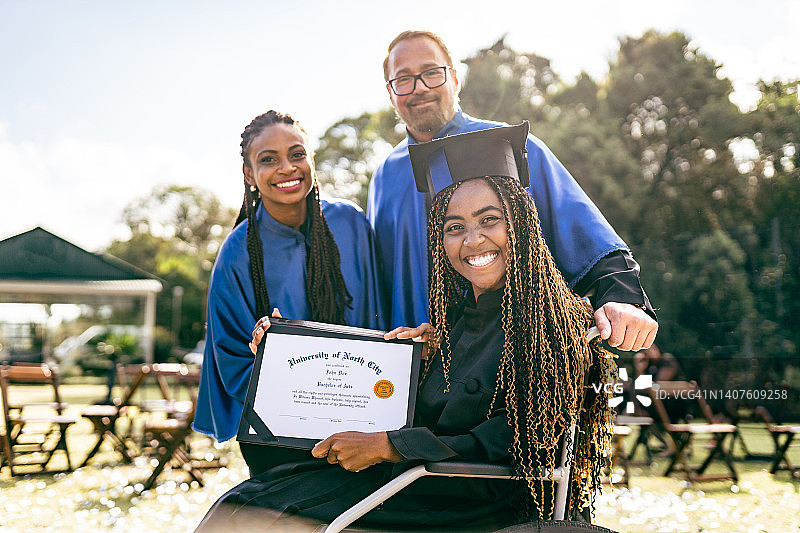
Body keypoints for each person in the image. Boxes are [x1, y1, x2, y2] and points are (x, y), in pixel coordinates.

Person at [194, 125, 617, 532]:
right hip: (424, 479)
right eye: (454, 227)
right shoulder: (455, 322)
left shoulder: (554, 318)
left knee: (265, 519)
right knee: (246, 501)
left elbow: (517, 441)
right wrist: (414, 363)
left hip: (472, 498)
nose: (472, 240)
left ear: (521, 223)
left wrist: (390, 446)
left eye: (489, 220)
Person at [368, 30, 657, 353]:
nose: (419, 87)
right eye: (403, 79)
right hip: (415, 369)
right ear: (391, 94)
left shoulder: (509, 147)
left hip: (510, 358)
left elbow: (581, 231)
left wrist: (621, 297)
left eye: (432, 73)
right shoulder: (384, 178)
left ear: (455, 79)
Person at [193, 110, 385, 477]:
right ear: (249, 174)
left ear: (311, 160)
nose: (287, 167)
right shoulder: (238, 252)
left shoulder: (351, 224)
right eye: (269, 159)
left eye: (297, 154)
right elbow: (231, 359)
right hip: (281, 434)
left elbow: (382, 316)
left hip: (363, 425)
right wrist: (280, 361)